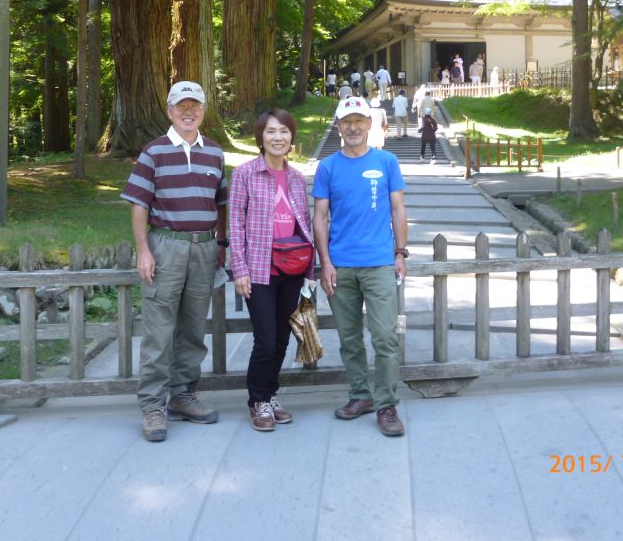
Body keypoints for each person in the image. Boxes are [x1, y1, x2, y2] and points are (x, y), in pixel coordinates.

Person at [121, 81, 228, 442]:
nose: (189, 111)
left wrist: (222, 245)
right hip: (166, 245)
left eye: (195, 105)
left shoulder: (214, 152)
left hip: (203, 248)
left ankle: (183, 395)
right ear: (169, 111)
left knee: (194, 328)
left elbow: (221, 204)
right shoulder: (153, 152)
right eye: (181, 105)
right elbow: (139, 204)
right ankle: (153, 404)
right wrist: (143, 250)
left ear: (203, 109)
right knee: (159, 330)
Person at [313, 96, 408, 437]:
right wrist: (325, 262)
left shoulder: (387, 161)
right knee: (349, 338)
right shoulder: (328, 167)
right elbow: (320, 216)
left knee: (385, 337)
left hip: (380, 263)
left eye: (359, 121)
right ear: (337, 126)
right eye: (346, 121)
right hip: (341, 265)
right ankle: (359, 395)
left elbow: (398, 209)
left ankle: (386, 404)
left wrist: (400, 253)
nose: (353, 127)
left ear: (370, 124)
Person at [228, 110, 314, 433]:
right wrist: (240, 268)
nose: (277, 138)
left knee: (282, 336)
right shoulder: (246, 173)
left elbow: (302, 224)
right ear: (260, 137)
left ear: (291, 138)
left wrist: (310, 269)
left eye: (284, 132)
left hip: (292, 267)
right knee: (265, 338)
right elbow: (235, 223)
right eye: (270, 132)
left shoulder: (295, 177)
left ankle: (271, 393)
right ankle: (256, 400)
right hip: (259, 268)